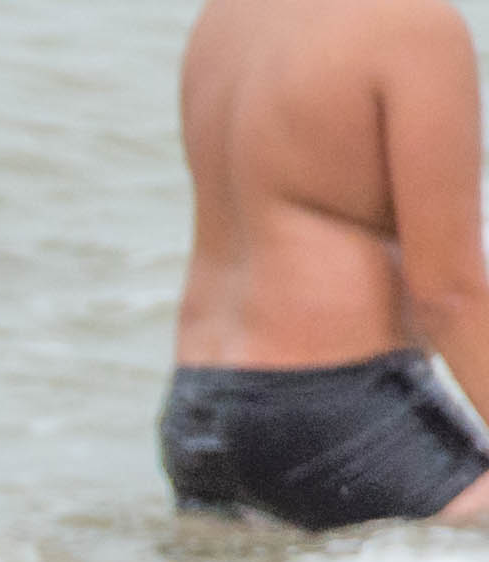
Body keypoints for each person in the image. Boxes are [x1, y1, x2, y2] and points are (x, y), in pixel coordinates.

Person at [161, 0, 489, 529]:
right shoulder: (412, 23)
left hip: (199, 407)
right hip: (336, 407)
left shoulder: (226, 16)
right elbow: (447, 294)